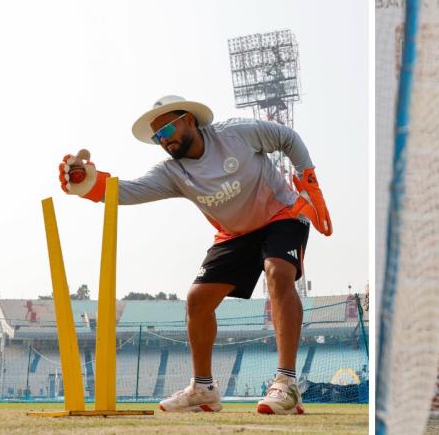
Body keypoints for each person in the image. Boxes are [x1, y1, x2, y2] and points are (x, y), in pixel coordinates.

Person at [57, 95, 332, 415]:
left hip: (282, 214)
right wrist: (91, 184)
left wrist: (308, 180)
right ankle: (203, 389)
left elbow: (287, 137)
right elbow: (129, 191)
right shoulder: (172, 172)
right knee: (197, 300)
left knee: (278, 272)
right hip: (234, 233)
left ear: (189, 119)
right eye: (157, 137)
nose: (164, 140)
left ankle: (286, 383)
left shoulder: (236, 133)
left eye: (167, 129)